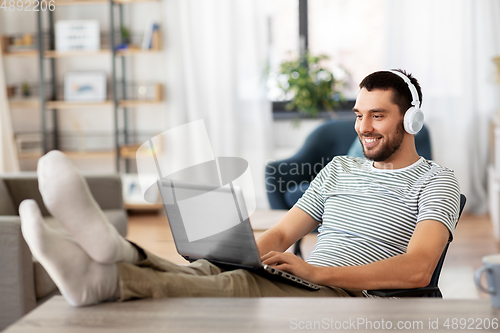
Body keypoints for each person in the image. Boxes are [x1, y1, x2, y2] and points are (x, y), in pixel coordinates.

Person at [19, 69, 460, 306]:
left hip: (347, 295)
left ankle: (107, 272)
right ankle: (114, 260)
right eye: (358, 113)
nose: (363, 126)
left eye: (377, 115)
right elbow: (285, 233)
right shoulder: (340, 168)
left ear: (411, 119)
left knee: (235, 291)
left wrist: (315, 272)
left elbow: (417, 269)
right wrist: (250, 256)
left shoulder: (436, 180)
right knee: (218, 272)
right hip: (307, 282)